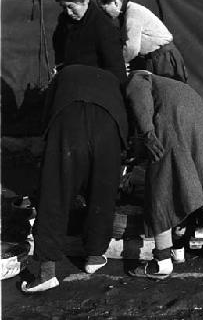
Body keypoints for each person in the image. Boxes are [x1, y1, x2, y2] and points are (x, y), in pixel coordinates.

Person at [21, 65, 129, 292]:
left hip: (68, 122)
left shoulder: (64, 75)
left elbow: (47, 115)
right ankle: (95, 256)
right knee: (102, 191)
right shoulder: (113, 78)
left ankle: (46, 273)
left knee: (55, 192)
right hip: (108, 125)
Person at [124, 70, 203, 278]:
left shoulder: (138, 78)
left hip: (174, 120)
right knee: (190, 181)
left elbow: (138, 94)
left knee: (161, 186)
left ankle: (162, 261)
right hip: (200, 121)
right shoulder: (171, 85)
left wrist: (147, 133)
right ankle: (179, 250)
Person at [95, 0, 188, 82]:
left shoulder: (133, 14)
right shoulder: (125, 14)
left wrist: (119, 64)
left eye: (104, 8)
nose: (104, 13)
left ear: (115, 3)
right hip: (154, 59)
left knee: (167, 92)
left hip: (164, 60)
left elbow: (131, 49)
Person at [52, 0, 127, 85]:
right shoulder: (64, 21)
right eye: (64, 7)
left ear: (86, 0)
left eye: (71, 7)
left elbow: (116, 67)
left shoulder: (103, 26)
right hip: (69, 84)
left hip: (94, 88)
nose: (68, 12)